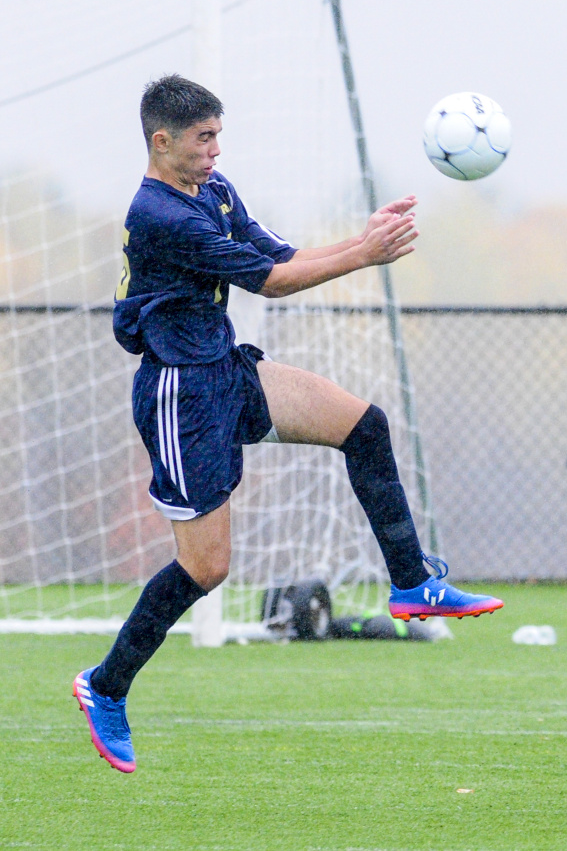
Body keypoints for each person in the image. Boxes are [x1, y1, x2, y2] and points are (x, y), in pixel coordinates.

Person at [73, 74, 503, 774]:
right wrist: (363, 259)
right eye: (203, 138)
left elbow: (279, 257)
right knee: (206, 567)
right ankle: (105, 685)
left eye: (218, 135)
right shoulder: (159, 214)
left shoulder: (213, 190)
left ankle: (411, 583)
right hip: (180, 396)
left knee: (364, 425)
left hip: (224, 369)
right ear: (162, 142)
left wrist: (358, 239)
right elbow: (268, 285)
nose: (216, 149)